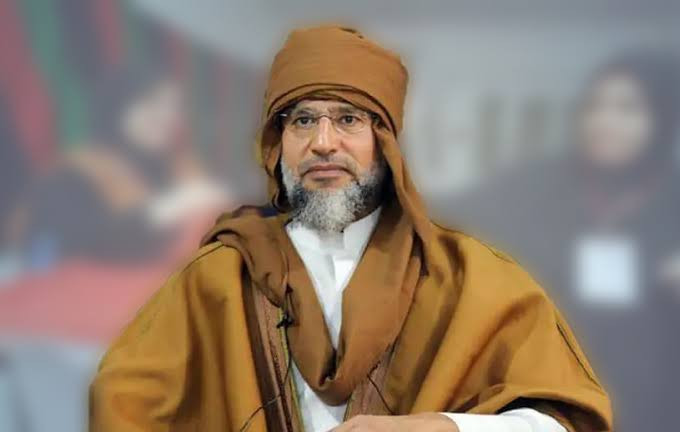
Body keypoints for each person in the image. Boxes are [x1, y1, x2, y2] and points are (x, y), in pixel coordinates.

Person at [89, 26, 612, 432]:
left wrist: (441, 427)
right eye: (302, 120)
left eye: (347, 119)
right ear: (277, 145)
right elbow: (124, 408)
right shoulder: (218, 278)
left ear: (385, 143)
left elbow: (563, 422)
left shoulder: (469, 277)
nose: (322, 143)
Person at [438, 50, 680, 431]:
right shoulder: (536, 186)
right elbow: (450, 219)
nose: (604, 122)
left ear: (664, 118)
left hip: (664, 406)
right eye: (595, 106)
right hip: (555, 397)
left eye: (627, 109)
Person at [11, 65, 226, 267]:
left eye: (174, 107)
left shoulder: (178, 165)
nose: (165, 116)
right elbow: (77, 246)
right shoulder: (75, 174)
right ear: (119, 107)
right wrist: (165, 209)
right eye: (151, 103)